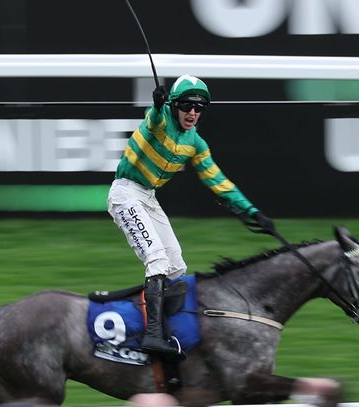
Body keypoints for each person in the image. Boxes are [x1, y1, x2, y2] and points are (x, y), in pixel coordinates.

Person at [108, 74, 274, 357]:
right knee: (157, 259)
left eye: (199, 108)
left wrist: (252, 211)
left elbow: (217, 180)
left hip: (148, 197)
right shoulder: (160, 120)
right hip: (125, 194)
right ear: (175, 105)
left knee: (176, 267)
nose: (193, 113)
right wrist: (158, 105)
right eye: (187, 105)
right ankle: (153, 336)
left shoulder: (195, 143)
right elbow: (154, 121)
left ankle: (166, 328)